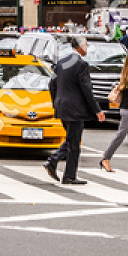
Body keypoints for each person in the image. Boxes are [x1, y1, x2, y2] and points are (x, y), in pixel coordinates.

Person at [44, 34, 104, 185]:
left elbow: (52, 85)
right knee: (74, 143)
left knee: (71, 139)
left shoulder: (62, 62)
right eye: (86, 45)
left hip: (62, 106)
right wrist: (97, 110)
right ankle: (64, 170)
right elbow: (87, 89)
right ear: (80, 46)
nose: (87, 48)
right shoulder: (81, 64)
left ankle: (57, 165)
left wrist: (56, 102)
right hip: (75, 109)